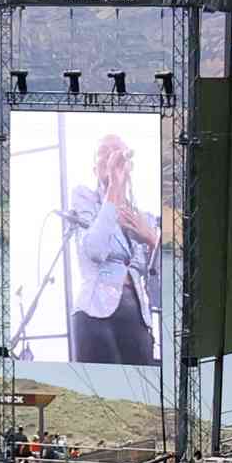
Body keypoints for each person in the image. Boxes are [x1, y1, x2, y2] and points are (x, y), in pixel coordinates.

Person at [69, 133, 161, 365]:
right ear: (95, 168)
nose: (111, 156)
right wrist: (114, 189)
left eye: (117, 151)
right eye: (103, 152)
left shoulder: (144, 217)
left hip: (137, 315)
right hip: (95, 311)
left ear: (129, 165)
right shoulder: (85, 197)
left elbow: (161, 279)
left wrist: (151, 238)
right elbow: (95, 249)